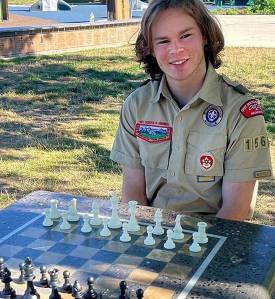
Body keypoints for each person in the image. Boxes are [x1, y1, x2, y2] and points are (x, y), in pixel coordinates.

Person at [110, 0, 273, 221]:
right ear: (150, 48)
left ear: (205, 35)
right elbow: (133, 195)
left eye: (185, 36)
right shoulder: (137, 105)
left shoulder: (240, 111)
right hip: (151, 231)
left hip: (213, 239)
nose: (176, 49)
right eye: (163, 41)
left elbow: (237, 209)